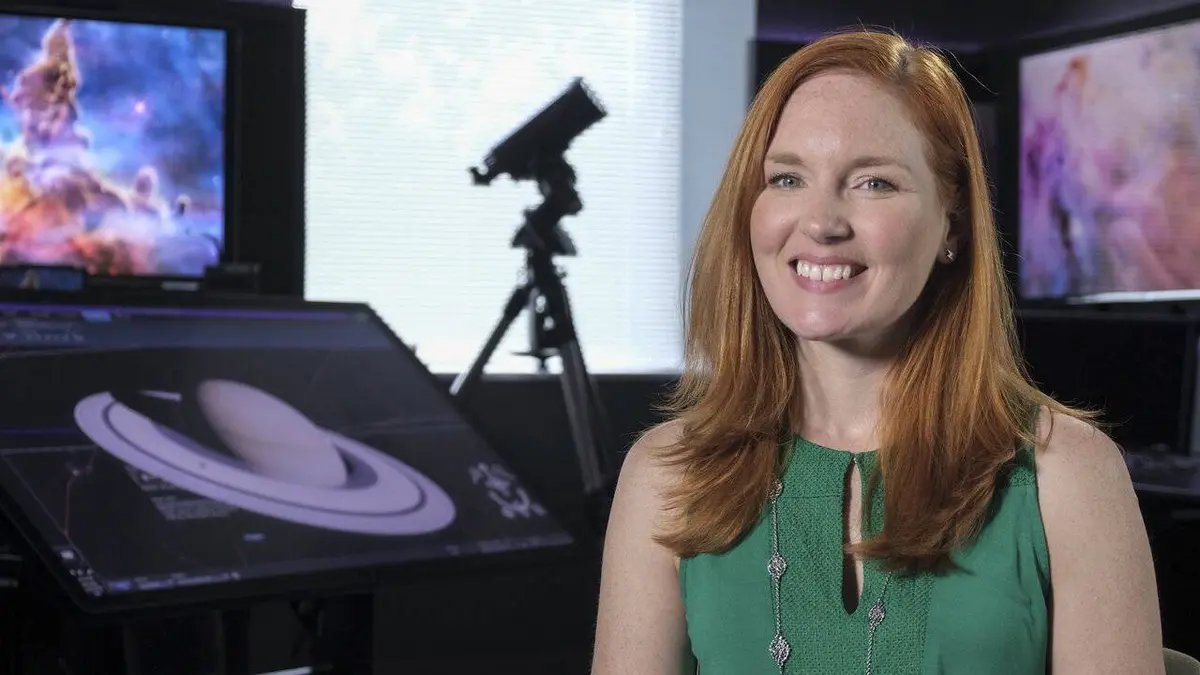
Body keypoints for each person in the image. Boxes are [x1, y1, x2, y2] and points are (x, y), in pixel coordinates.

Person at [591, 29, 1163, 675]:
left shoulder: (1069, 475)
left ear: (952, 224)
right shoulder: (667, 474)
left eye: (873, 183)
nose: (821, 222)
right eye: (787, 178)